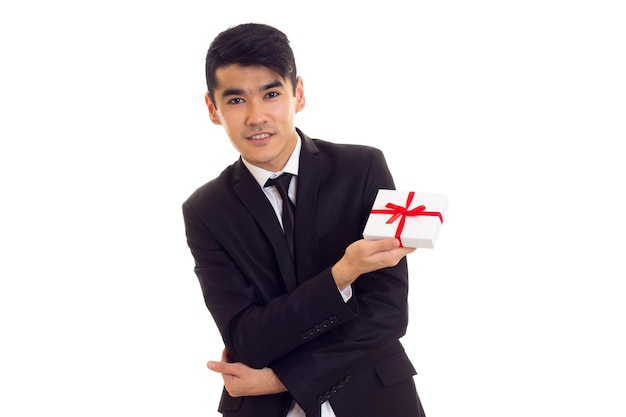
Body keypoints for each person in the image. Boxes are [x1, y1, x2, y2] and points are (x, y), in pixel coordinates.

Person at [182, 22, 427, 417]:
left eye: (272, 93)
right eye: (236, 100)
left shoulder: (362, 168)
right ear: (213, 110)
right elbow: (249, 339)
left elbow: (387, 313)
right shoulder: (205, 210)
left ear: (299, 93)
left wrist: (282, 377)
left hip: (376, 398)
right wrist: (342, 274)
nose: (257, 117)